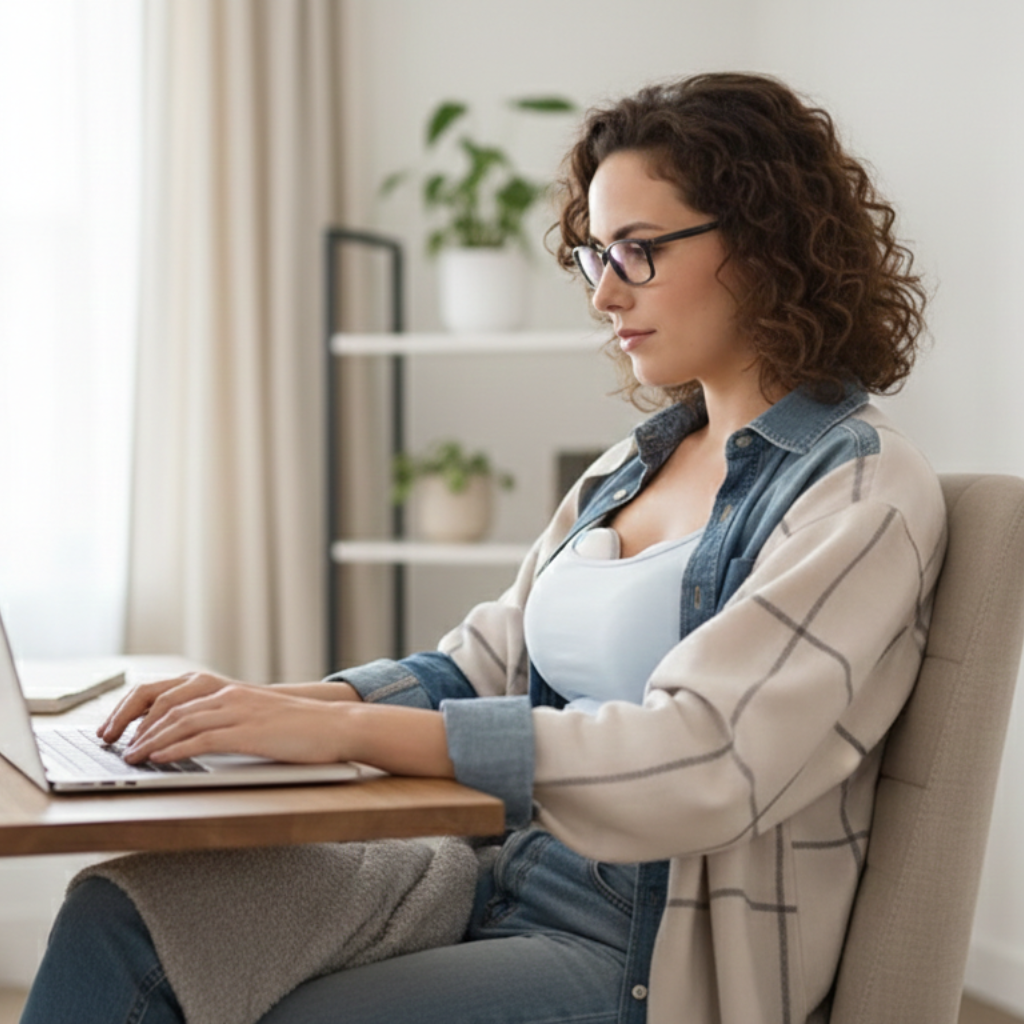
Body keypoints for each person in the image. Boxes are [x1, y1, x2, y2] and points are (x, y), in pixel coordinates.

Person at [20, 72, 947, 1024]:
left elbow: (701, 759)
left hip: (648, 948)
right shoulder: (634, 465)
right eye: (595, 255)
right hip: (497, 870)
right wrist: (268, 706)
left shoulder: (862, 489)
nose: (604, 295)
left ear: (763, 244)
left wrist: (342, 732)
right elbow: (482, 665)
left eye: (639, 250)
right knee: (125, 913)